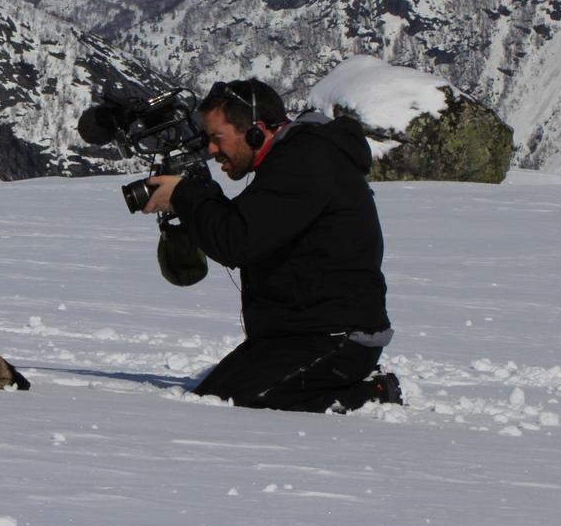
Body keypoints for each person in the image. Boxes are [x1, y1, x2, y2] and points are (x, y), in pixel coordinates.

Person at [143, 78, 401, 412]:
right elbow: (246, 226)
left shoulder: (305, 163)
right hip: (297, 335)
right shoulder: (295, 160)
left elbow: (237, 240)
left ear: (255, 131)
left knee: (243, 406)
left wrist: (185, 195)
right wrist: (190, 198)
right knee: (210, 399)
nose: (211, 150)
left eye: (217, 139)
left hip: (335, 338)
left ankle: (370, 393)